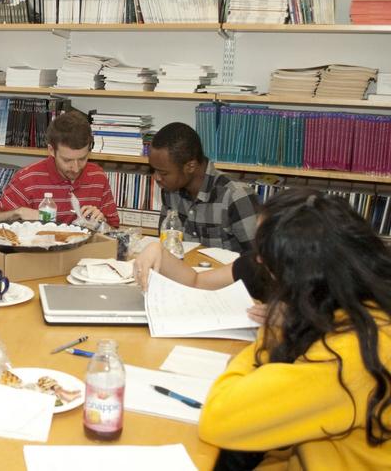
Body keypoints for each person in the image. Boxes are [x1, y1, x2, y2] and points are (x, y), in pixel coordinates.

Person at [197, 189, 391, 470]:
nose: (259, 260)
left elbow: (218, 419)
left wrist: (272, 333)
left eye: (266, 252)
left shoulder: (350, 355)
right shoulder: (367, 309)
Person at [0, 110, 120, 228]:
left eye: (82, 158)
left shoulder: (98, 176)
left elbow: (115, 231)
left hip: (85, 256)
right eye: (67, 160)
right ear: (51, 150)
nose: (76, 168)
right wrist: (18, 213)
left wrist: (101, 224)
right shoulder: (27, 179)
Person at [150, 122, 258, 252]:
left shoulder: (236, 196)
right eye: (153, 170)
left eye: (163, 173)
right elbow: (166, 246)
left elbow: (260, 261)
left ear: (190, 166)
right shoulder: (170, 192)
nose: (156, 178)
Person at [132, 241, 270, 324]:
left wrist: (290, 321)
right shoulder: (256, 265)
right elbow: (196, 282)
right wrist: (158, 249)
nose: (258, 257)